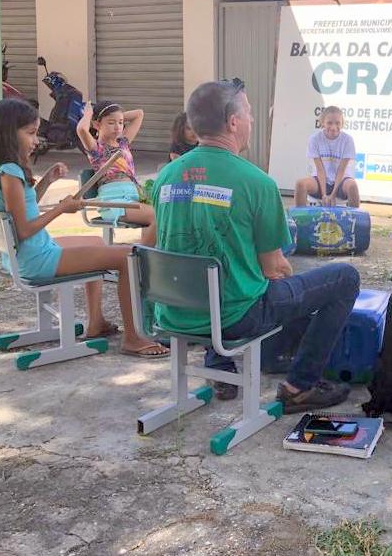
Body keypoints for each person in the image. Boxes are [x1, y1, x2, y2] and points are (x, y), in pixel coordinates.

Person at [151, 80, 360, 411]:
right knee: (343, 279)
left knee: (214, 267)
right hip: (236, 317)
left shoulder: (166, 176)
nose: (252, 120)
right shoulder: (257, 183)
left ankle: (220, 367)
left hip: (173, 312)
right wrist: (283, 269)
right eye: (248, 112)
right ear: (233, 122)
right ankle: (299, 386)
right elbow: (273, 268)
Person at [0, 98, 168, 358]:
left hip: (22, 254)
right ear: (7, 134)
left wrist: (47, 181)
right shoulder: (11, 172)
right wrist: (62, 208)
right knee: (129, 256)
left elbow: (21, 210)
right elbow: (25, 228)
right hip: (36, 256)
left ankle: (96, 322)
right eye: (30, 133)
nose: (35, 140)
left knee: (97, 243)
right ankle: (133, 337)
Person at [76, 100, 156, 246]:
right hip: (114, 201)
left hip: (133, 198)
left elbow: (139, 114)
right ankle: (143, 257)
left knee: (165, 214)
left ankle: (145, 255)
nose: (117, 127)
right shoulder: (96, 148)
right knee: (158, 217)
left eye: (120, 123)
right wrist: (89, 114)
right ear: (96, 125)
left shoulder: (123, 143)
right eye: (111, 123)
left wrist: (114, 115)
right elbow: (81, 129)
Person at [294, 106, 360, 208]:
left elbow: (341, 170)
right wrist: (324, 195)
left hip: (342, 180)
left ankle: (354, 222)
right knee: (300, 184)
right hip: (320, 180)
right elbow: (320, 170)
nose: (333, 127)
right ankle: (299, 221)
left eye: (337, 123)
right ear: (322, 122)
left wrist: (333, 195)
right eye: (329, 123)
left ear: (342, 123)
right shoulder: (315, 139)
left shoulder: (348, 140)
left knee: (353, 186)